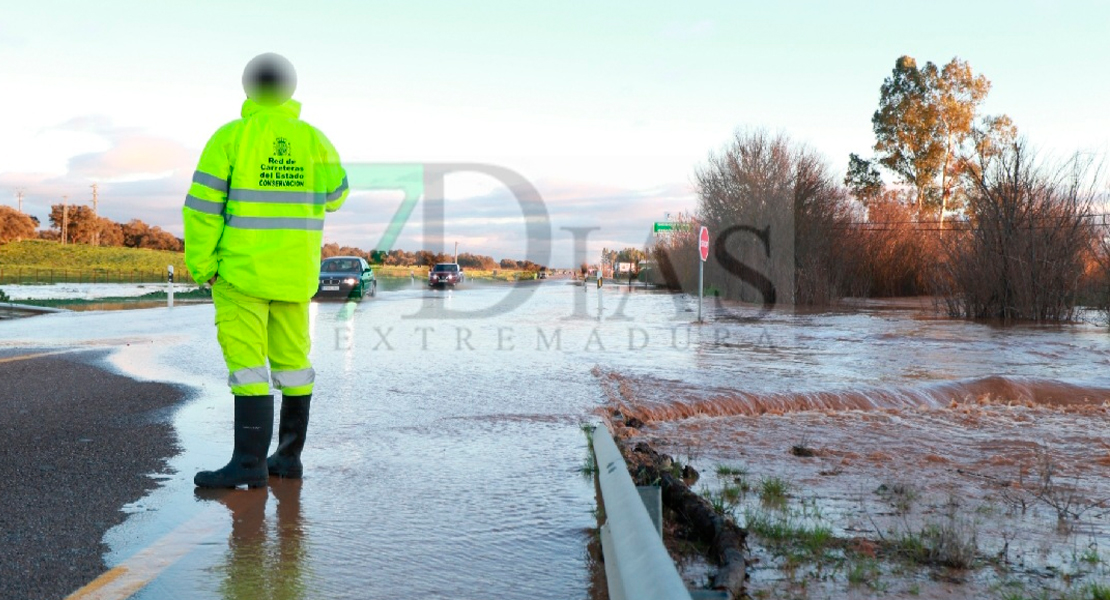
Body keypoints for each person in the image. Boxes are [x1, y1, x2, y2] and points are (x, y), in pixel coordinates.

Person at [183, 53, 349, 488]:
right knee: (294, 365)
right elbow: (337, 196)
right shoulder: (314, 140)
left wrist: (204, 267)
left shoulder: (232, 137)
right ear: (290, 89)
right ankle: (288, 459)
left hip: (241, 275)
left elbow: (201, 210)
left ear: (249, 88)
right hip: (295, 278)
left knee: (248, 367)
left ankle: (249, 465)